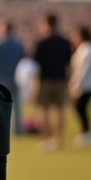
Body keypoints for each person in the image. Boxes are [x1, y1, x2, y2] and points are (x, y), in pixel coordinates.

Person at [33, 13, 72, 150]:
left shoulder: (42, 43)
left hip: (45, 80)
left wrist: (35, 83)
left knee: (43, 110)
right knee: (59, 110)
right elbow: (68, 62)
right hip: (61, 79)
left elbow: (35, 64)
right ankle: (58, 139)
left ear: (47, 24)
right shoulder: (65, 42)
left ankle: (47, 139)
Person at [0, 19, 26, 134]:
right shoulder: (18, 44)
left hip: (0, 77)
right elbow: (24, 60)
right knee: (16, 103)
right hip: (16, 77)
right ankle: (18, 129)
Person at [69, 27, 91, 147]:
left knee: (79, 107)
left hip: (86, 84)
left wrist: (77, 83)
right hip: (90, 83)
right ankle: (86, 132)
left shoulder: (86, 49)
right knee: (81, 107)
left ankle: (87, 132)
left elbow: (83, 69)